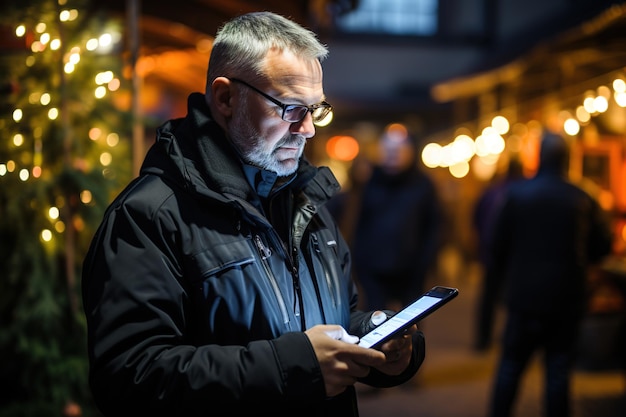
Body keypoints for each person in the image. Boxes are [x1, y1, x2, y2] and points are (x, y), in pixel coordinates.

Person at [81, 11, 425, 417]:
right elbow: (129, 378)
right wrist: (296, 367)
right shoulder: (148, 216)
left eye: (316, 109)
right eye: (292, 108)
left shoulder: (307, 202)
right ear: (226, 98)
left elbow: (335, 319)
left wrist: (376, 339)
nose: (309, 129)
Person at [486, 133, 613, 417]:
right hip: (566, 299)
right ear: (567, 158)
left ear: (539, 156)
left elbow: (496, 246)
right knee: (558, 374)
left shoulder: (516, 195)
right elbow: (602, 247)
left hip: (523, 297)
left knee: (510, 368)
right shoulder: (582, 197)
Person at [349, 123, 445, 312]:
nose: (393, 154)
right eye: (388, 150)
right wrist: (359, 262)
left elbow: (434, 227)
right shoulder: (371, 182)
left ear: (410, 152)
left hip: (411, 270)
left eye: (398, 150)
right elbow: (360, 224)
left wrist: (425, 262)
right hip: (374, 270)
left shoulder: (423, 185)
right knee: (374, 322)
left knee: (411, 324)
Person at [471, 157, 523, 352]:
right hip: (513, 258)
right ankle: (510, 339)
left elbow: (476, 218)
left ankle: (483, 340)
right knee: (513, 300)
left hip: (490, 254)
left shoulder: (492, 192)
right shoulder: (521, 194)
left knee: (488, 299)